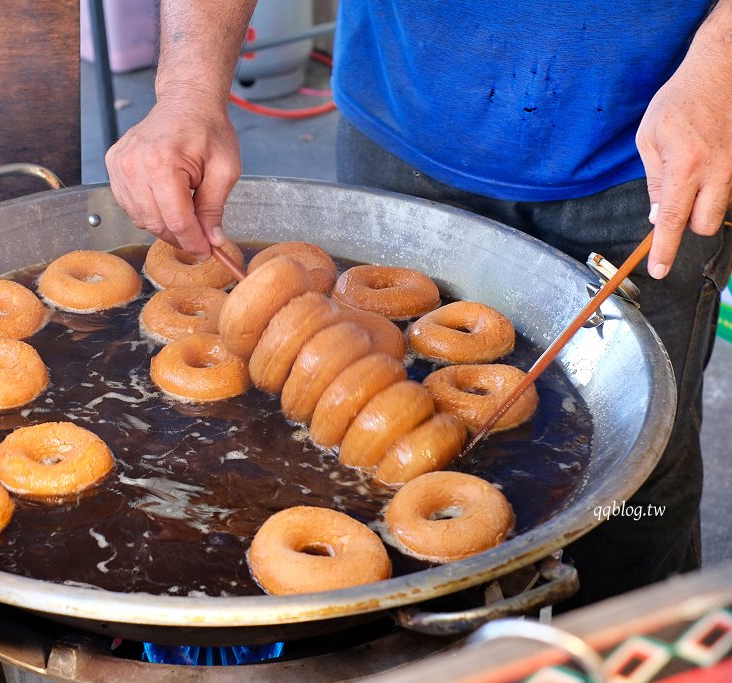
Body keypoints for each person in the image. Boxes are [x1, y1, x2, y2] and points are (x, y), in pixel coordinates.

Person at [106, 1, 732, 607]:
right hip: (403, 119)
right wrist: (187, 88)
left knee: (638, 473)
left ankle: (634, 655)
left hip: (660, 149)